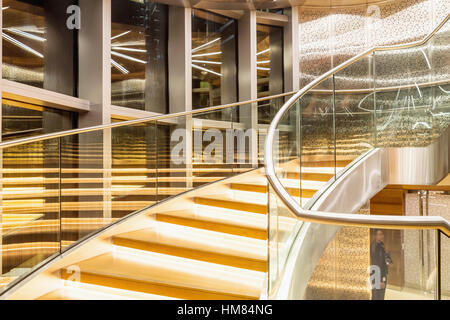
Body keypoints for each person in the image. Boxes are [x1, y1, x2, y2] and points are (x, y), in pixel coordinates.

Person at [370, 229, 393, 300]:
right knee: (378, 296)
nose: (382, 236)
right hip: (377, 276)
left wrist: (388, 262)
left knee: (379, 295)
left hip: (379, 274)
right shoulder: (375, 247)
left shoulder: (381, 244)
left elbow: (384, 258)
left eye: (382, 234)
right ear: (375, 236)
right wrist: (381, 280)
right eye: (379, 234)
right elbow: (377, 264)